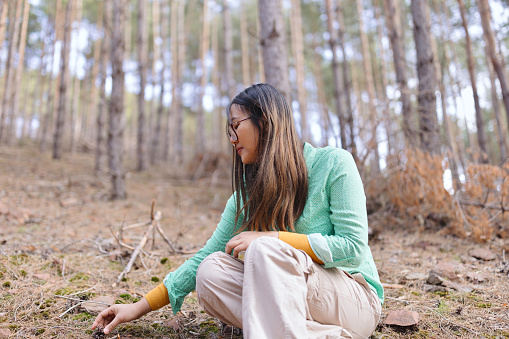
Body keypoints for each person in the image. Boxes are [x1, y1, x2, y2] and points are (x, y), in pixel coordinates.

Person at [92, 83, 383, 339]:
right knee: (211, 272)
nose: (231, 138)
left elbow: (353, 248)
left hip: (353, 300)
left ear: (265, 122)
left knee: (263, 250)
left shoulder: (334, 163)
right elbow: (202, 259)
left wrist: (273, 238)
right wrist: (138, 307)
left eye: (236, 125)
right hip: (296, 306)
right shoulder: (246, 196)